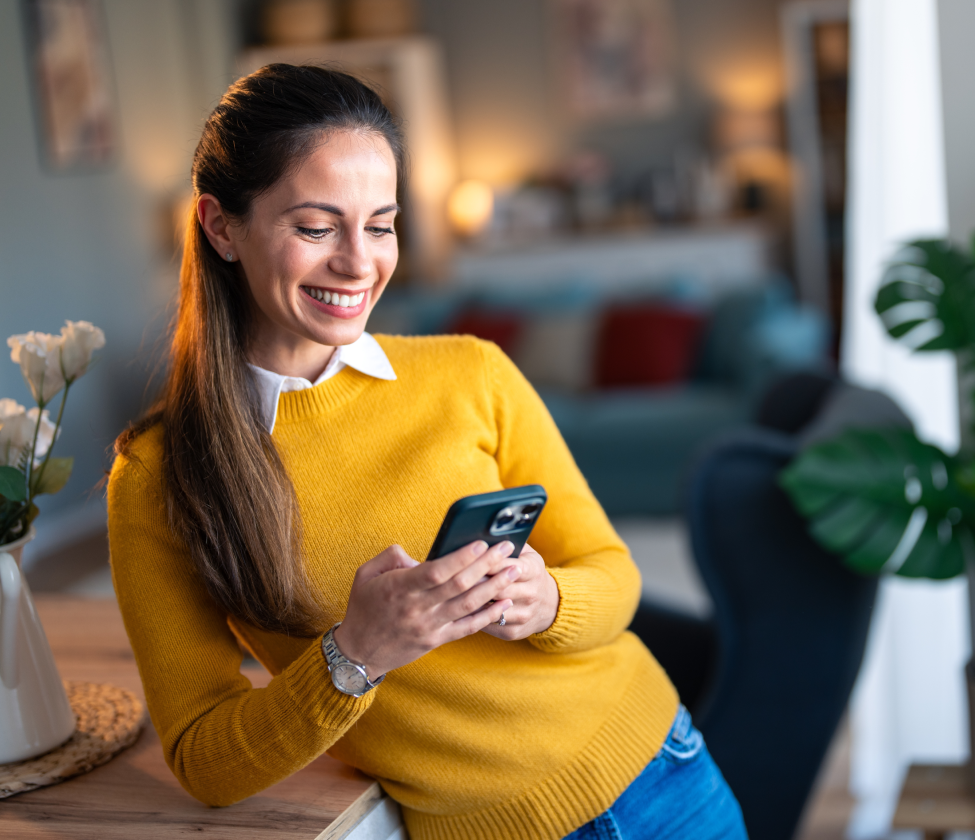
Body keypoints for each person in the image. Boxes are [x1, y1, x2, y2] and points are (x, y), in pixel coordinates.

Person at [107, 64, 747, 840]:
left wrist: (545, 600)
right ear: (220, 226)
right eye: (316, 227)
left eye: (380, 225)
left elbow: (615, 573)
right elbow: (204, 760)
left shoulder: (471, 371)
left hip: (663, 774)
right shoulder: (158, 476)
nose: (358, 261)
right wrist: (357, 653)